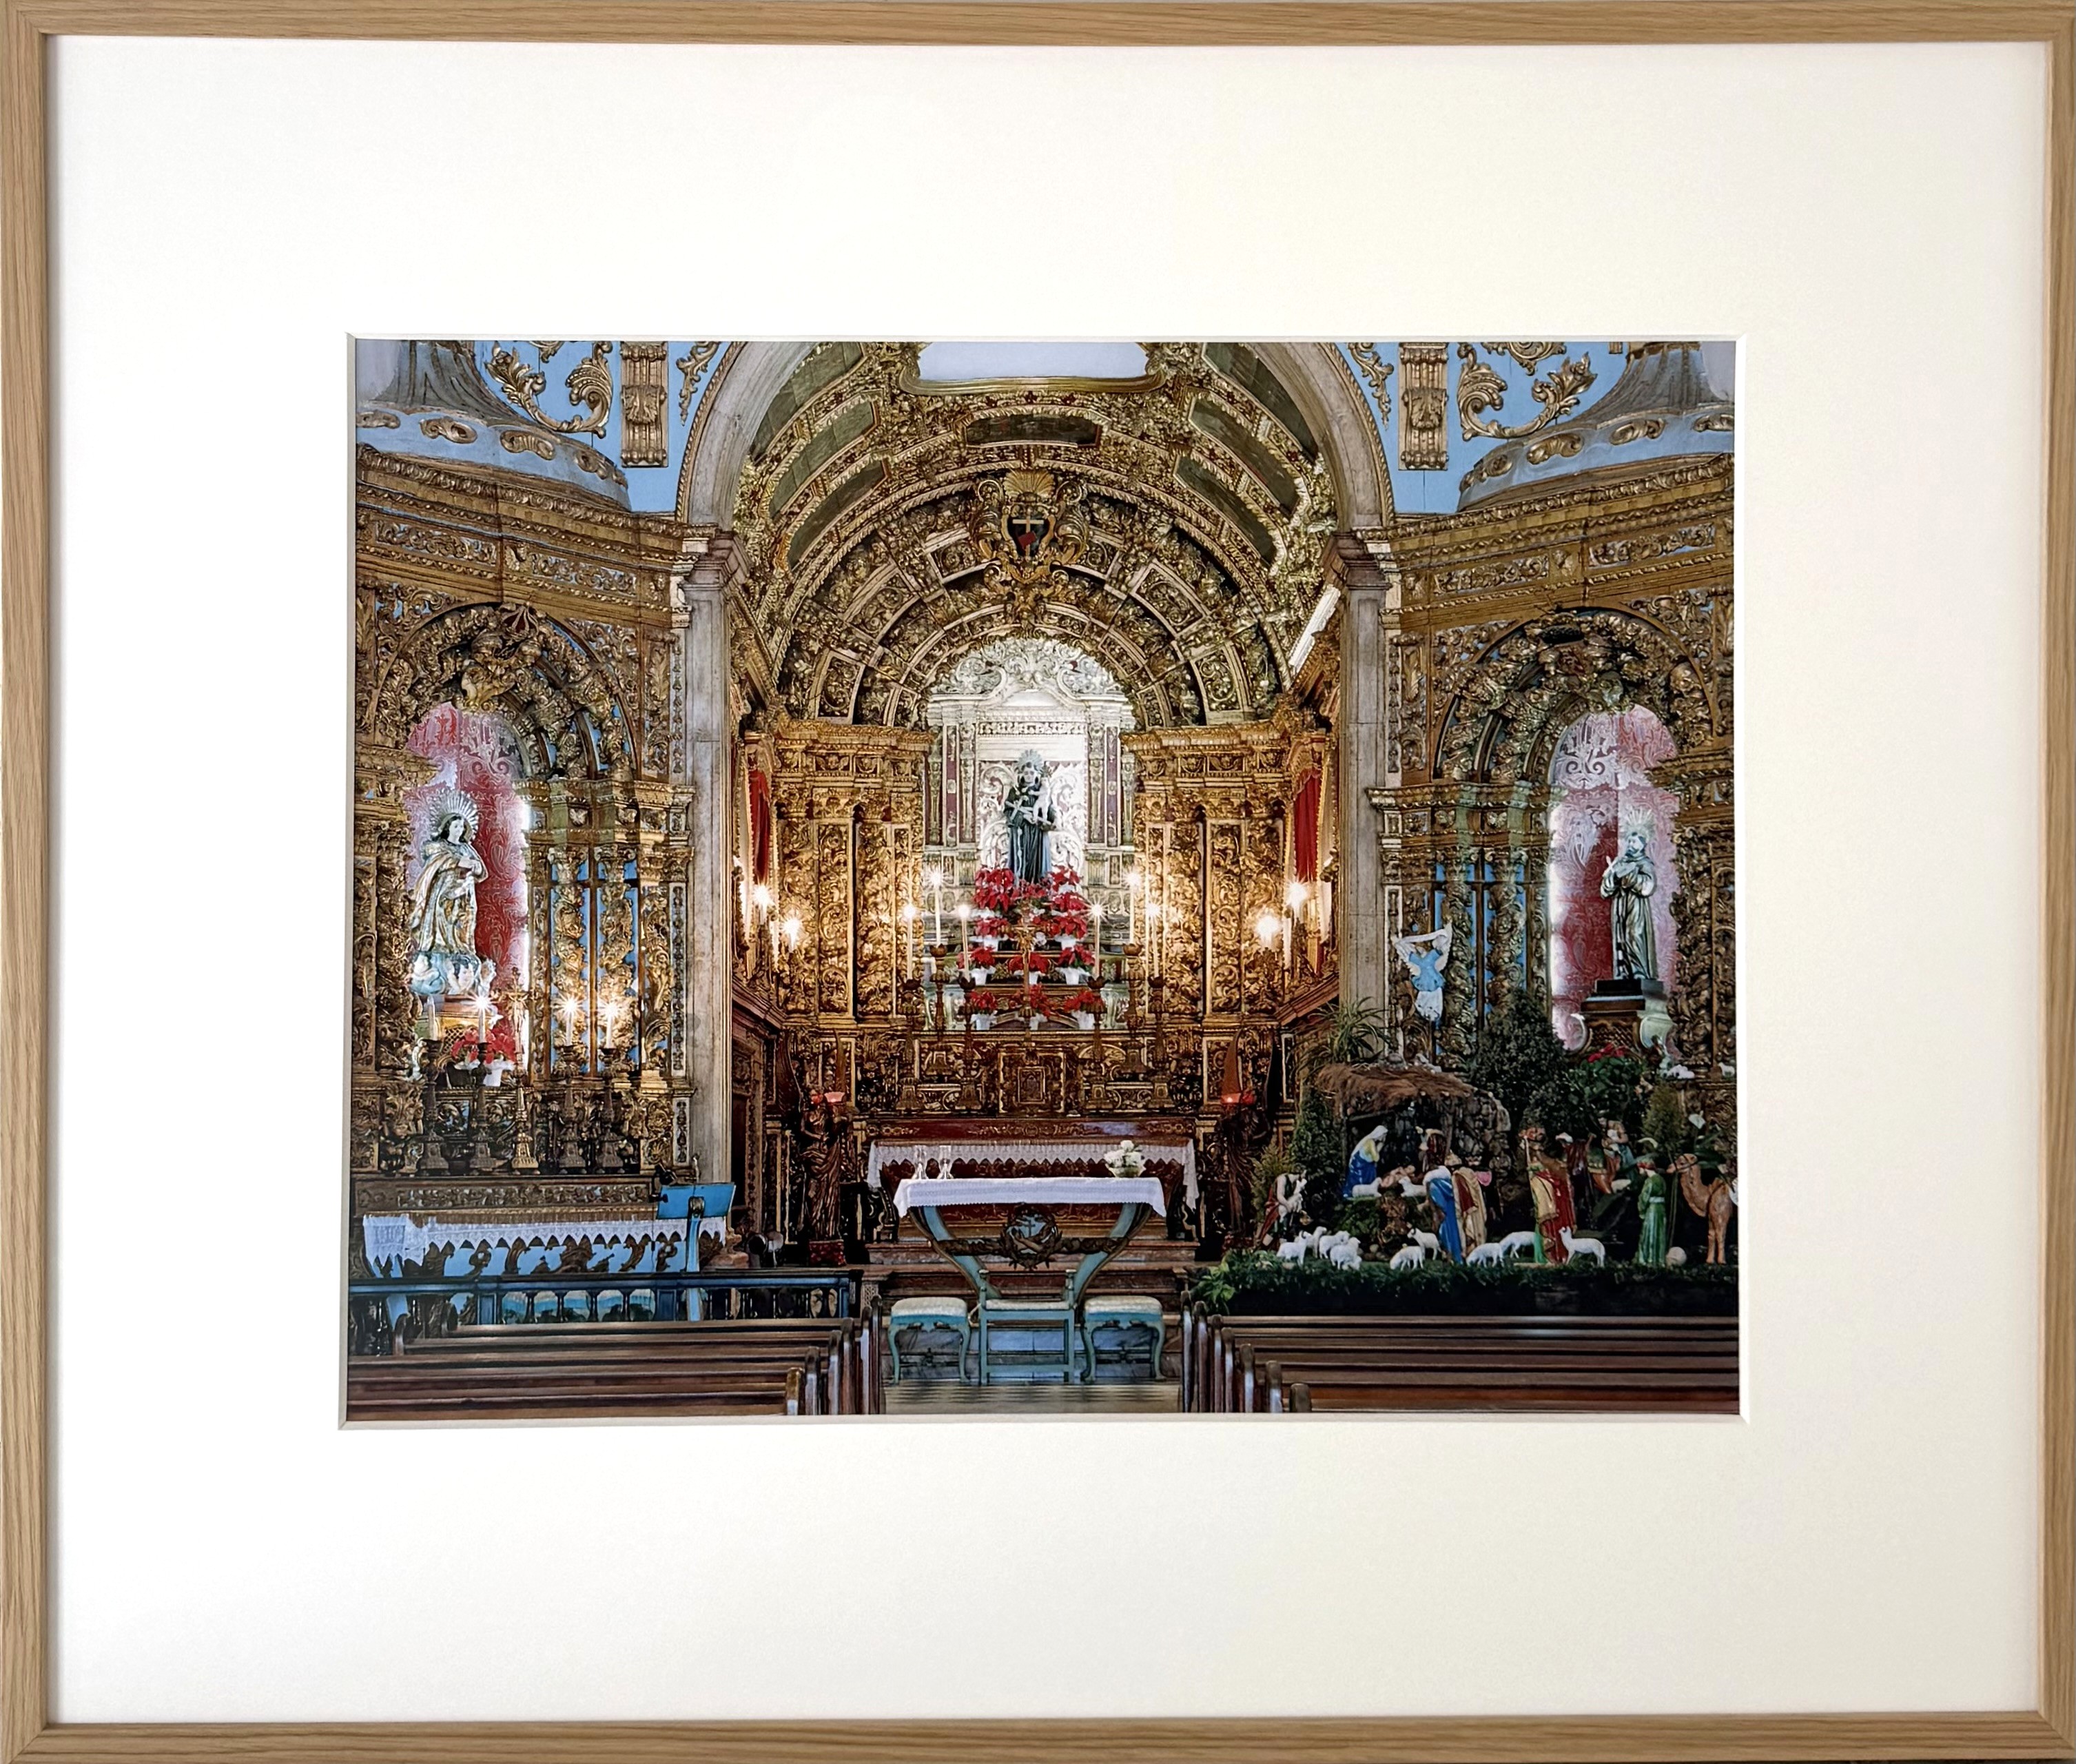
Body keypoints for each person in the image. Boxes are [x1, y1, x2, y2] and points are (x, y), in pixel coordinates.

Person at [408, 799, 489, 999]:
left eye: (462, 826)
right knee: (442, 920)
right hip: (443, 893)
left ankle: (461, 948)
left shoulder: (467, 848)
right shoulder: (438, 846)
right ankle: (439, 946)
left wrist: (474, 866)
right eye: (456, 826)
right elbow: (435, 862)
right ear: (447, 828)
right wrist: (456, 862)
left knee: (463, 923)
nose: (459, 830)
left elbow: (481, 871)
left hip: (465, 894)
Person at [1599, 828, 1660, 984]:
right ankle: (1623, 972)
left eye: (1634, 841)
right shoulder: (1620, 862)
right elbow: (1605, 890)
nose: (1630, 844)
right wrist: (1613, 878)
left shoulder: (1645, 864)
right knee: (1620, 937)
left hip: (1636, 906)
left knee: (1634, 935)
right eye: (1629, 841)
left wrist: (1631, 877)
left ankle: (1639, 971)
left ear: (1642, 844)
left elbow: (1648, 887)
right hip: (1620, 905)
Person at [1003, 750, 1057, 885]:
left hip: (1038, 832)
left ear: (1037, 774)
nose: (1029, 776)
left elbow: (1049, 808)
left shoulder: (1042, 791)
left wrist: (1054, 820)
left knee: (1037, 861)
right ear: (1022, 774)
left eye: (1032, 773)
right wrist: (1023, 816)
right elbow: (1008, 811)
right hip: (1021, 832)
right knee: (1022, 860)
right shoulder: (1015, 792)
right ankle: (1021, 887)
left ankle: (1038, 888)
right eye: (1026, 773)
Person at [1632, 1151, 1670, 1265]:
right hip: (1661, 1209)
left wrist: (1642, 1211)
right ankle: (1659, 1259)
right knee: (1659, 1233)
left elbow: (1644, 1198)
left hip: (1652, 1210)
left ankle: (1648, 1258)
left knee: (1650, 1232)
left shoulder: (1650, 1181)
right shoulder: (1661, 1180)